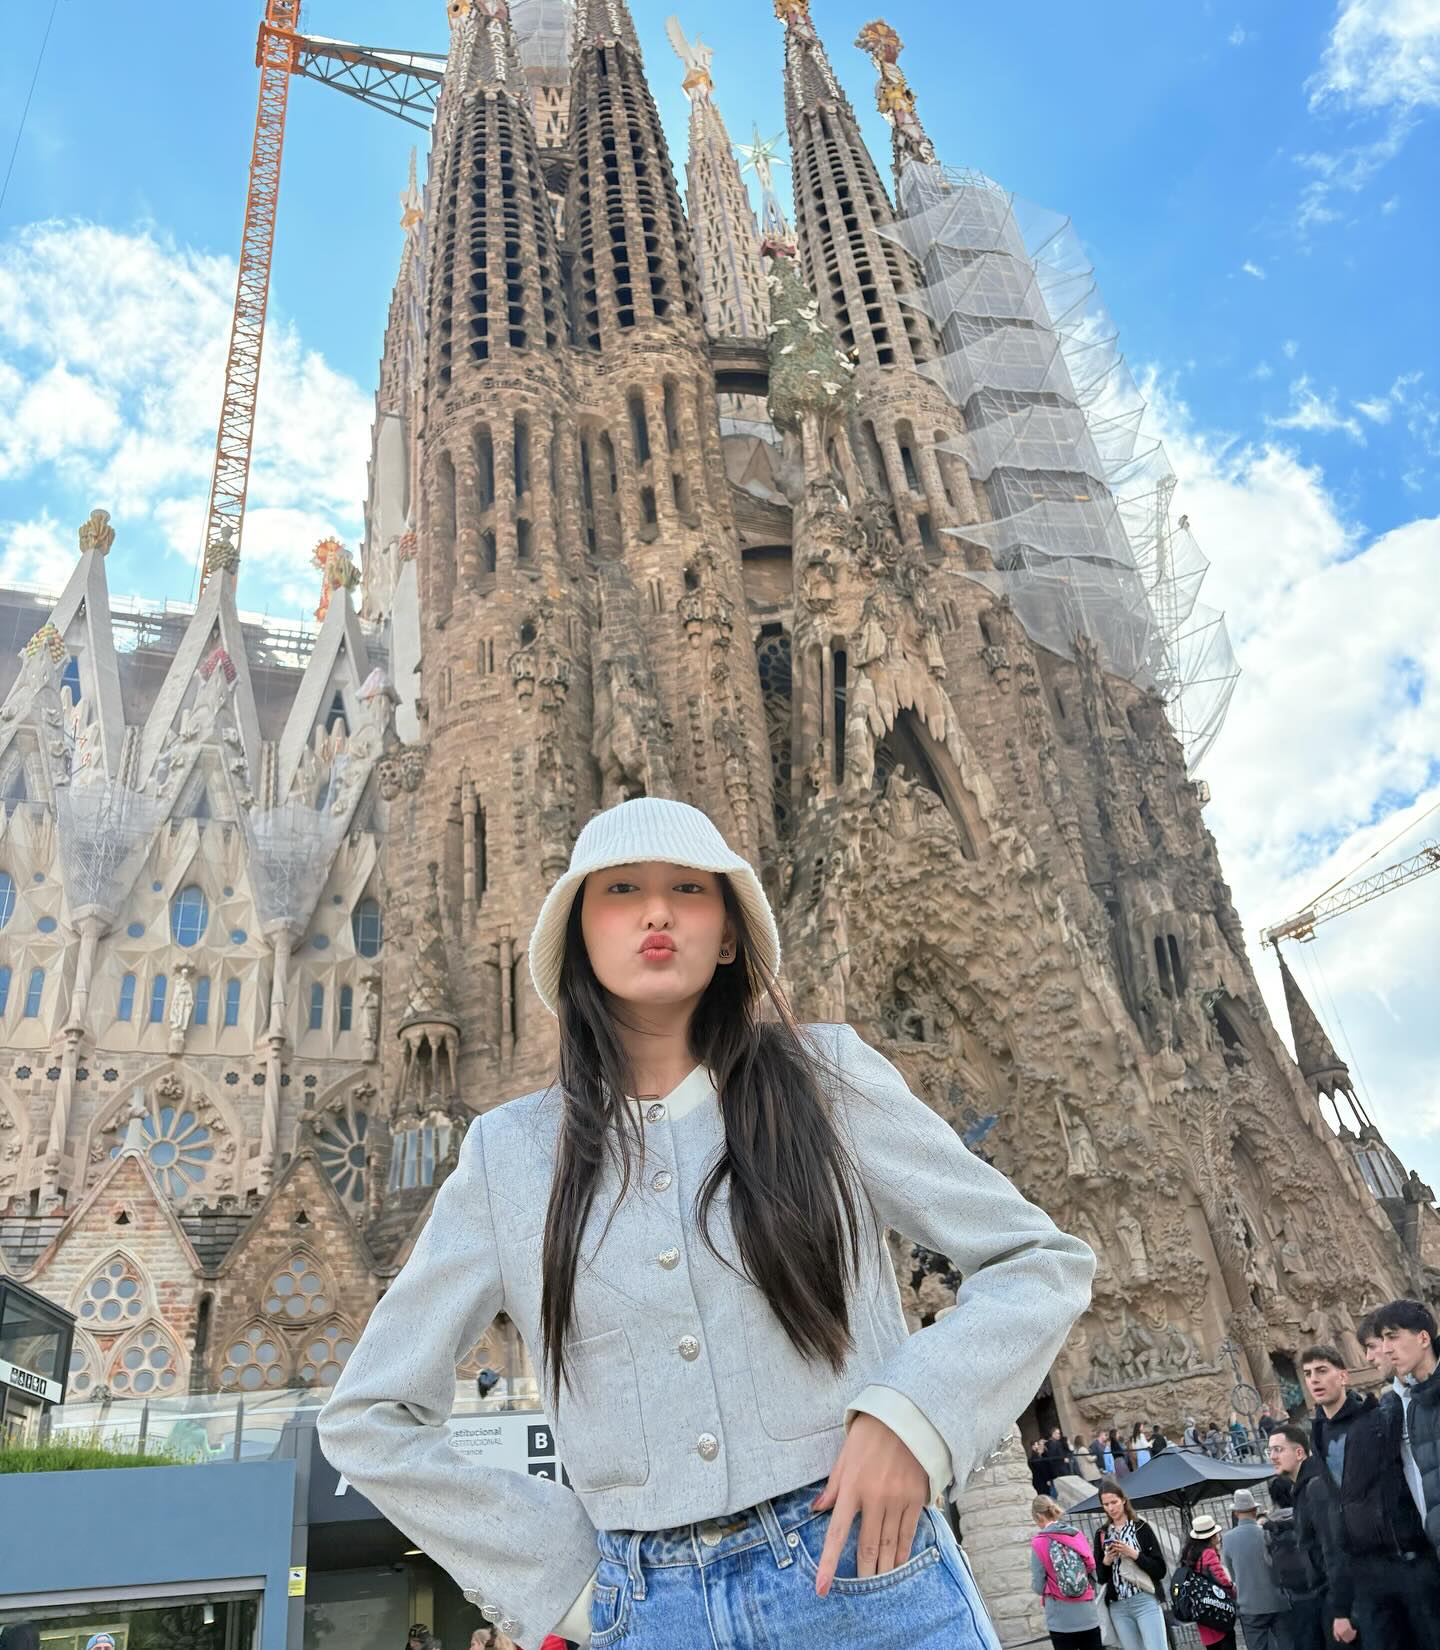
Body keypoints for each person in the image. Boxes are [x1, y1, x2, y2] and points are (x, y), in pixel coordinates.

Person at [318, 798, 1095, 1650]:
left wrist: (915, 1418)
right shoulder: (511, 1156)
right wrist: (562, 1579)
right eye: (622, 890)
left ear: (727, 935)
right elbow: (368, 1414)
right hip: (650, 1612)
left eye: (688, 888)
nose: (657, 911)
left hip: (866, 1578)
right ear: (580, 936)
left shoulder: (826, 1081)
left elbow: (1038, 1259)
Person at [1308, 1335, 1440, 1648]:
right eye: (1308, 1374)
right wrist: (1341, 1605)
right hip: (1366, 1573)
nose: (1314, 1379)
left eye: (1322, 1370)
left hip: (1409, 1560)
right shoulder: (1318, 1436)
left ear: (1343, 1376)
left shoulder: (1378, 1417)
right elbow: (1335, 1523)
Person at [1373, 1297, 1440, 1554]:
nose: (1386, 1349)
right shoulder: (1413, 1407)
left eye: (1393, 1336)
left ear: (1423, 1338)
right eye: (1382, 1340)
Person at [1267, 1424, 1331, 1650]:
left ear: (1299, 1452)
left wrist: (1340, 1606)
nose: (1272, 1456)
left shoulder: (1315, 1487)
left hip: (1332, 1597)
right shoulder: (1303, 1490)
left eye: (1278, 1449)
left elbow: (1332, 1547)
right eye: (1269, 1451)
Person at [1091, 1477, 1167, 1650]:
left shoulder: (1141, 1528)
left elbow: (1160, 1570)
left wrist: (1133, 1554)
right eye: (1106, 1504)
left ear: (1123, 1500)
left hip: (1144, 1600)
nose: (1111, 1508)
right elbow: (1101, 1578)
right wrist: (1106, 1561)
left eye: (1114, 1502)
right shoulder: (1102, 1533)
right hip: (1118, 1607)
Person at [1030, 1492, 1102, 1650]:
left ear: (1038, 1516)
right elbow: (1092, 1567)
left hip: (1060, 1619)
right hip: (1087, 1614)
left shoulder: (1039, 1542)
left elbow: (1038, 1586)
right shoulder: (1076, 1534)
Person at [1220, 1487, 1290, 1650]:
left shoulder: (1228, 1539)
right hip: (1277, 1600)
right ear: (1255, 1510)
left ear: (1236, 1513)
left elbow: (1232, 1574)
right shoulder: (1267, 1533)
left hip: (1249, 1604)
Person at [1179, 1514, 1237, 1650]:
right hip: (1216, 1607)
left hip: (1200, 1607)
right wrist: (1232, 1591)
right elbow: (1220, 1578)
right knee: (1225, 1642)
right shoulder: (1208, 1553)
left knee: (1212, 1643)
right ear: (1212, 1536)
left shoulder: (1189, 1553)